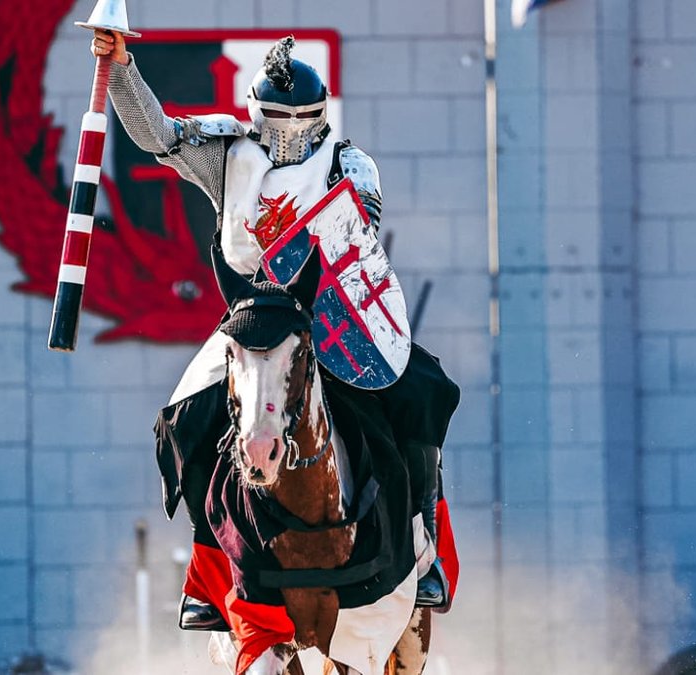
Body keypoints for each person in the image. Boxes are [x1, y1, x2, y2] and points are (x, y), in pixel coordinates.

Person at [92, 30, 460, 631]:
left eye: (303, 116)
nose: (290, 127)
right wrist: (123, 67)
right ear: (255, 111)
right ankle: (208, 578)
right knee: (187, 419)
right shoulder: (226, 152)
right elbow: (155, 134)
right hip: (247, 318)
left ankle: (423, 550)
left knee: (423, 393)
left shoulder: (349, 165)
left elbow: (351, 245)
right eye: (278, 115)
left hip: (325, 320)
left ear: (322, 113)